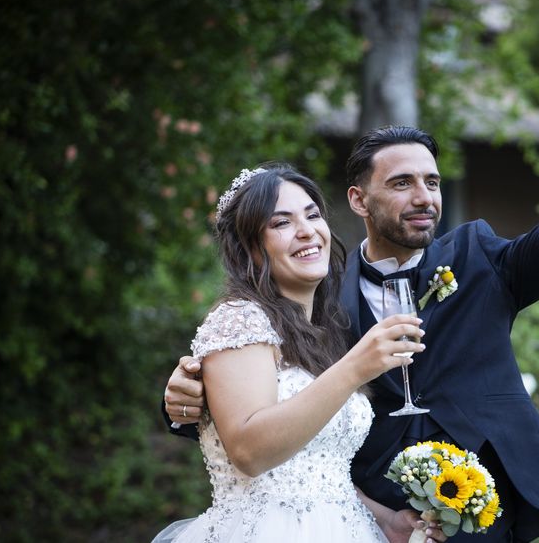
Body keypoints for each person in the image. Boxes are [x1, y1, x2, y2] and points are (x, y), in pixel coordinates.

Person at [163, 56, 539, 541]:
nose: (424, 197)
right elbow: (259, 401)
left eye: (433, 182)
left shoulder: (478, 258)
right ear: (359, 200)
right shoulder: (317, 293)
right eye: (402, 183)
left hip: (483, 506)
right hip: (372, 513)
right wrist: (189, 400)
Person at [153, 163, 447, 543]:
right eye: (281, 223)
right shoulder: (239, 320)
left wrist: (386, 522)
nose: (307, 230)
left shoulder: (322, 333)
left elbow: (317, 470)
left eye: (312, 215)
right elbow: (249, 452)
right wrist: (354, 368)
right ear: (249, 249)